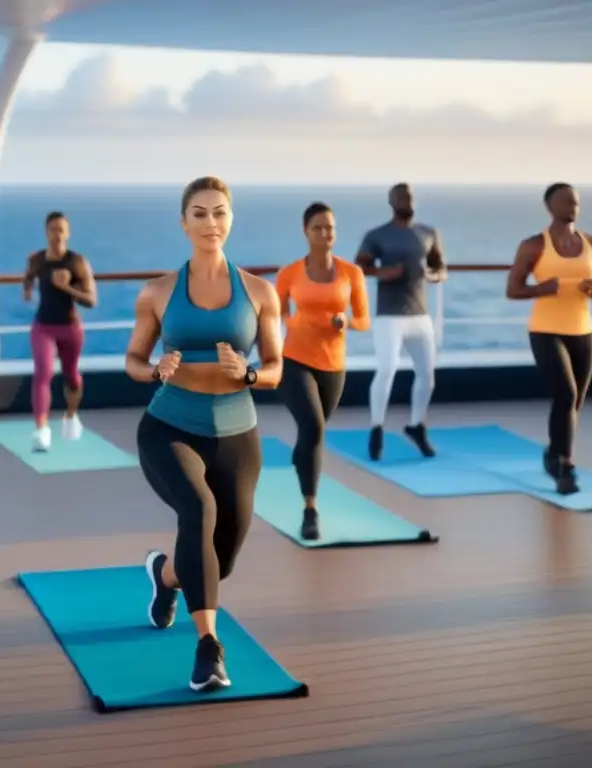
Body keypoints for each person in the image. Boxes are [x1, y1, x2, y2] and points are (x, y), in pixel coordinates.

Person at [125, 176, 283, 692]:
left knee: (221, 557)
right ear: (183, 222)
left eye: (219, 212)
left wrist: (250, 374)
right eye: (199, 213)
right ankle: (208, 648)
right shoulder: (158, 292)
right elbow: (132, 359)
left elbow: (278, 367)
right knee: (199, 511)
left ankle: (164, 574)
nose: (210, 223)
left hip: (238, 435)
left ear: (231, 219)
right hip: (170, 427)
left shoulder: (260, 292)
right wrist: (154, 369)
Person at [276, 202, 370, 541]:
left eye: (330, 227)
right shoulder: (289, 272)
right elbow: (274, 311)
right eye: (318, 227)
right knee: (314, 427)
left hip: (333, 363)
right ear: (306, 232)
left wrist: (347, 321)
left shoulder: (351, 273)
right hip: (296, 359)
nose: (325, 233)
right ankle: (310, 510)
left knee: (311, 433)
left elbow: (363, 318)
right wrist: (292, 321)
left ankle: (301, 454)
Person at [506, 182, 592, 495]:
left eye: (575, 201)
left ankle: (554, 454)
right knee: (565, 394)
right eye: (566, 202)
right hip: (546, 330)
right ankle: (564, 467)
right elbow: (513, 289)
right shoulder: (534, 245)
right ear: (550, 207)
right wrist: (541, 289)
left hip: (583, 330)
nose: (572, 206)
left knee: (574, 401)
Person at [356, 182, 446, 461]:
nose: (406, 201)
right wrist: (383, 273)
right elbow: (360, 267)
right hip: (389, 316)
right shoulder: (377, 236)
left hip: (420, 316)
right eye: (400, 197)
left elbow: (441, 268)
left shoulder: (428, 234)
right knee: (387, 370)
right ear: (391, 202)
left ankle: (416, 425)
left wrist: (431, 276)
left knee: (427, 377)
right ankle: (376, 428)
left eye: (409, 196)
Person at [21, 212, 97, 452]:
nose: (57, 234)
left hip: (70, 327)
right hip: (43, 326)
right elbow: (29, 276)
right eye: (53, 229)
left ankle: (71, 415)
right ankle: (41, 429)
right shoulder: (36, 259)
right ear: (46, 232)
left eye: (62, 230)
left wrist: (66, 288)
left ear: (68, 233)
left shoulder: (77, 262)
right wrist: (27, 290)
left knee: (71, 376)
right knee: (43, 373)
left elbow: (91, 301)